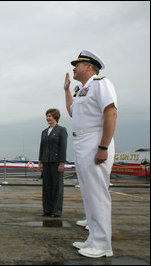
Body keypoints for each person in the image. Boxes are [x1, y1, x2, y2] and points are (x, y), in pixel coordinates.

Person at [64, 50, 117, 258]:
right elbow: (71, 111)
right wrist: (67, 90)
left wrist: (103, 147)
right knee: (88, 194)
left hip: (95, 140)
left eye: (77, 64)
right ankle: (93, 238)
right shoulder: (82, 90)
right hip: (82, 141)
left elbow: (111, 112)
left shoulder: (101, 83)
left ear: (89, 67)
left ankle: (103, 244)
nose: (74, 67)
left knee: (97, 194)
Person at [38, 108, 67, 217]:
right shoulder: (44, 132)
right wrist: (40, 162)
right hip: (46, 162)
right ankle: (47, 210)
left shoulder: (61, 130)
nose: (48, 118)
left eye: (50, 116)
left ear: (55, 117)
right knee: (47, 187)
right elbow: (42, 147)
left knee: (57, 187)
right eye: (47, 116)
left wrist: (62, 163)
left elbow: (63, 147)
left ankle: (56, 211)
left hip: (56, 163)